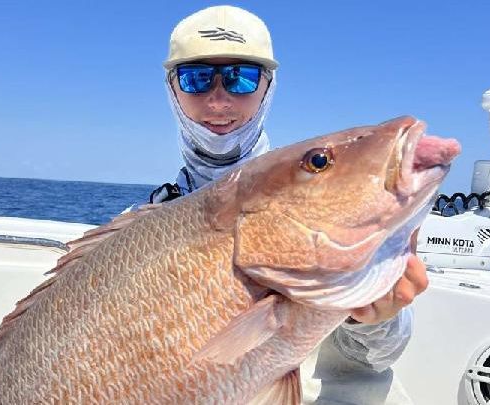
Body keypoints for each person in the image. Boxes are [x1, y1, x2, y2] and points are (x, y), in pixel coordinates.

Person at [146, 5, 427, 404]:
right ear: (173, 88)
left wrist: (375, 318)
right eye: (197, 78)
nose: (219, 100)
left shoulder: (321, 201)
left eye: (241, 78)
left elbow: (377, 355)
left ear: (268, 87)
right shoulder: (139, 230)